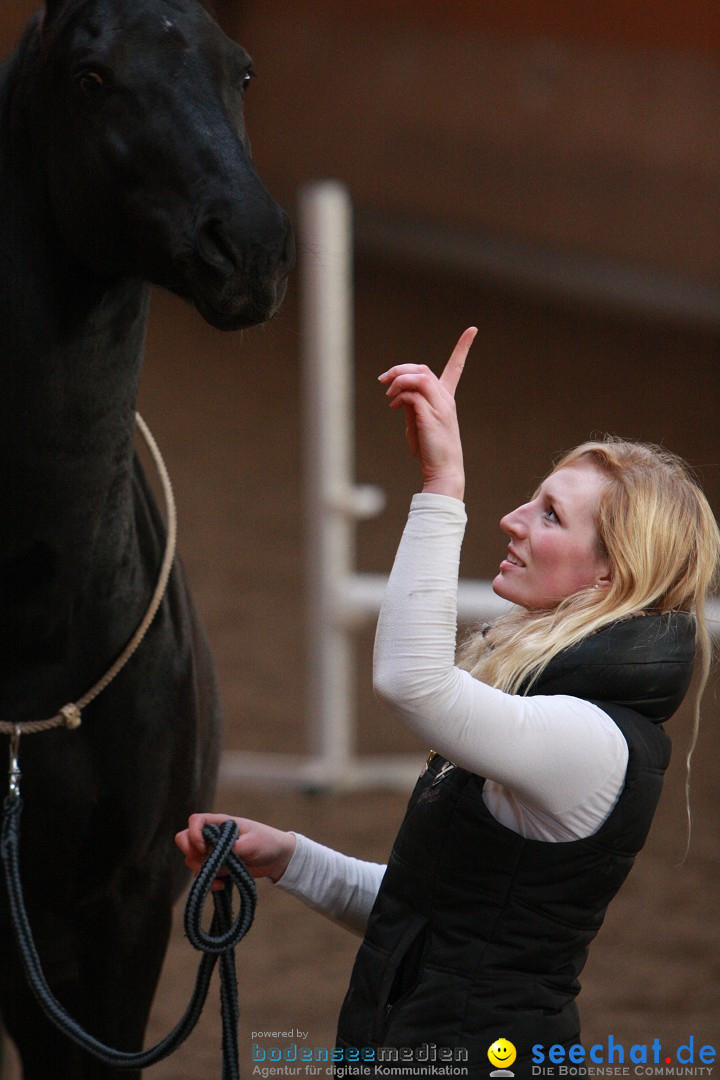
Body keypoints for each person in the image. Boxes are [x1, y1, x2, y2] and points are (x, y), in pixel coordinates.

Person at [176, 328, 720, 1079]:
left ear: (607, 580)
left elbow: (412, 682)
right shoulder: (563, 713)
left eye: (551, 515)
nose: (514, 520)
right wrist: (291, 859)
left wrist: (441, 486)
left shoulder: (590, 738)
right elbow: (432, 917)